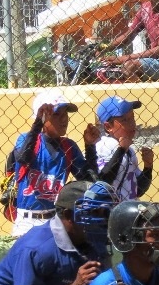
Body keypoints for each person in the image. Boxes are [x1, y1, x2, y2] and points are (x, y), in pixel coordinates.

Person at [11, 89, 100, 237]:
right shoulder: (27, 139)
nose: (64, 119)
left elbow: (90, 180)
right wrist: (37, 123)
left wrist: (90, 147)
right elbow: (22, 158)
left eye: (65, 113)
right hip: (27, 221)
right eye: (57, 114)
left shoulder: (69, 146)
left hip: (55, 219)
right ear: (43, 117)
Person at [95, 95, 153, 201]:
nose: (132, 124)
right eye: (125, 120)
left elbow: (138, 190)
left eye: (132, 118)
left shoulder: (130, 151)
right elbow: (102, 182)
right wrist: (120, 151)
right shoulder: (104, 147)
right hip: (110, 213)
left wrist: (148, 167)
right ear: (108, 127)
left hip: (127, 211)